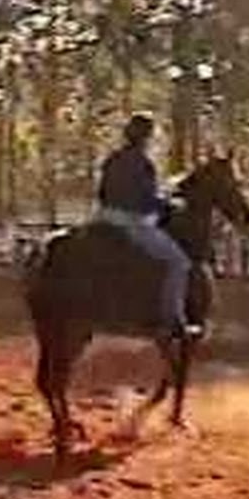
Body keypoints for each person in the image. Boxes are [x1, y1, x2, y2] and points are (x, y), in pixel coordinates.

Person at [95, 113, 193, 338]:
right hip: (130, 222)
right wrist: (170, 204)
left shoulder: (113, 159)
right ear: (147, 137)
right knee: (178, 262)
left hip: (103, 217)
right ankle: (173, 318)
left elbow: (102, 193)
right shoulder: (143, 163)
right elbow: (145, 200)